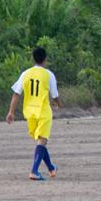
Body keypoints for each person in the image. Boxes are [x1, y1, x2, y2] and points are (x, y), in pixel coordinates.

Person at [6, 46, 61, 181]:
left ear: (33, 59)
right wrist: (59, 104)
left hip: (29, 112)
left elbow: (16, 94)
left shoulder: (25, 73)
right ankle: (34, 171)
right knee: (42, 141)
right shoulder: (49, 74)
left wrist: (11, 112)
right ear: (45, 59)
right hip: (43, 111)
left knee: (40, 141)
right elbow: (54, 95)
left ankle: (51, 168)